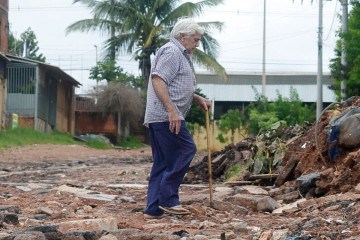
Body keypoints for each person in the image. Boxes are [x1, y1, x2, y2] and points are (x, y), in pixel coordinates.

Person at [143, 18, 211, 219]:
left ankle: (153, 209)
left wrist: (196, 98)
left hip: (161, 115)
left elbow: (175, 84)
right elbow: (158, 80)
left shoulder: (180, 53)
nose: (197, 44)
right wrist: (172, 111)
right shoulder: (172, 52)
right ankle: (168, 199)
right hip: (166, 115)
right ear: (183, 36)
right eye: (196, 40)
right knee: (186, 149)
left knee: (163, 162)